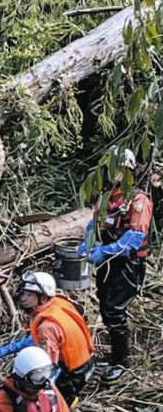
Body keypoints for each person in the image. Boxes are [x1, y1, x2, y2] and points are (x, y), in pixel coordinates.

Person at [77, 147, 154, 383]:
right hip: (107, 264)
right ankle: (114, 355)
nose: (113, 173)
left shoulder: (138, 200)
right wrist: (86, 244)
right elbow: (95, 225)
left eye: (118, 168)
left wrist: (105, 251)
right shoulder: (106, 196)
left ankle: (121, 361)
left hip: (127, 264)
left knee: (115, 310)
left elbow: (134, 238)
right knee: (104, 305)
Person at [0, 271, 95, 406]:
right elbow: (40, 338)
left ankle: (67, 401)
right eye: (24, 293)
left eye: (29, 295)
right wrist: (9, 349)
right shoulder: (57, 303)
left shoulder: (46, 327)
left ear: (42, 298)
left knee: (40, 403)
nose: (23, 298)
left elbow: (48, 368)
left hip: (74, 375)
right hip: (85, 362)